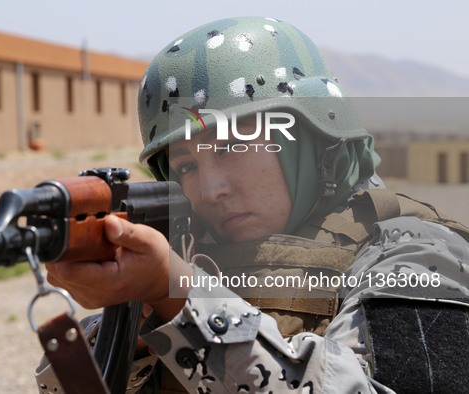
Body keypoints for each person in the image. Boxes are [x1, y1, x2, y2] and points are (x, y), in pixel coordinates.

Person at [36, 16, 469, 393]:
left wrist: (183, 299)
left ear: (308, 137)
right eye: (186, 167)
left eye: (230, 148)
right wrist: (138, 321)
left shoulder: (415, 252)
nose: (211, 190)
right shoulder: (191, 251)